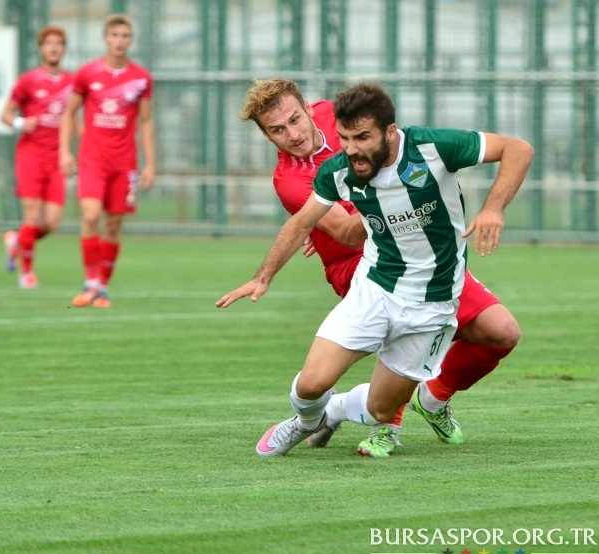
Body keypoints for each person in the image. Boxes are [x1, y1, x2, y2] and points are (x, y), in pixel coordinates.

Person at [217, 81, 534, 458]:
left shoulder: (347, 117)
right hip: (355, 262)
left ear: (309, 107)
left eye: (295, 120)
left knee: (500, 332)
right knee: (318, 381)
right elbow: (342, 232)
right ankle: (352, 422)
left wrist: (483, 205)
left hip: (426, 264)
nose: (293, 134)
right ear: (266, 135)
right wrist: (392, 198)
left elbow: (391, 137)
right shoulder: (292, 180)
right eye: (277, 130)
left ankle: (429, 398)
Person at [59, 13, 155, 308]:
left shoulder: (141, 78)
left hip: (124, 163)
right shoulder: (87, 73)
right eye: (114, 35)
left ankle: (102, 287)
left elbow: (146, 122)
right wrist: (65, 151)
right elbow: (69, 113)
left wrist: (150, 164)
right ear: (105, 39)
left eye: (125, 36)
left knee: (113, 225)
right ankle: (90, 282)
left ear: (130, 40)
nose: (119, 41)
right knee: (90, 216)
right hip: (92, 159)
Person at [0, 26, 74, 289]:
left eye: (59, 43)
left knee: (51, 222)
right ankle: (27, 274)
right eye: (49, 43)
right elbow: (5, 115)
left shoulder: (72, 82)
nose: (54, 48)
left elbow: (74, 119)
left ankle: (16, 241)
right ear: (41, 48)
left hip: (57, 159)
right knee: (32, 215)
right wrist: (21, 122)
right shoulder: (28, 80)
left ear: (64, 49)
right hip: (30, 155)